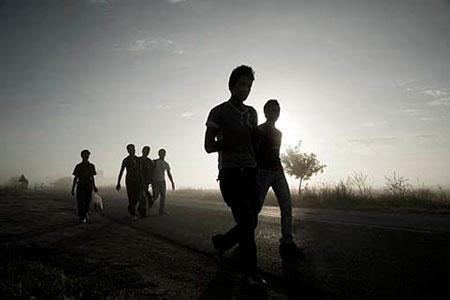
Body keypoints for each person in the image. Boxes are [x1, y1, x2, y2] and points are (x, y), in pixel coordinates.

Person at [204, 65, 266, 286]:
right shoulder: (218, 111)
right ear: (232, 85)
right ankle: (251, 273)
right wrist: (234, 139)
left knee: (252, 220)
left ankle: (222, 243)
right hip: (230, 174)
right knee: (247, 221)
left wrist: (258, 139)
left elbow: (253, 143)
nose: (245, 89)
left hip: (251, 172)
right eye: (241, 84)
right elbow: (209, 146)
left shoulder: (252, 113)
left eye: (249, 85)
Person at [255, 99, 304, 258]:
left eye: (278, 110)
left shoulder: (279, 133)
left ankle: (287, 243)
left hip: (278, 172)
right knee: (254, 209)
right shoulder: (259, 130)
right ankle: (239, 239)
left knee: (286, 206)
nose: (276, 113)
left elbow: (275, 154)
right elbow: (253, 153)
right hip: (262, 173)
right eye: (272, 110)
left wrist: (278, 169)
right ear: (266, 112)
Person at [71, 149, 98, 223]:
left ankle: (85, 213)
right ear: (81, 156)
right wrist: (73, 188)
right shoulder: (78, 166)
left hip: (89, 186)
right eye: (84, 155)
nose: (86, 157)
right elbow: (76, 178)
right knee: (80, 202)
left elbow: (92, 177)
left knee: (88, 201)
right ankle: (82, 216)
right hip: (80, 186)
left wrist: (94, 186)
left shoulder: (91, 166)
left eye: (87, 155)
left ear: (89, 156)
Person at [116, 144, 141, 221]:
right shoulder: (126, 160)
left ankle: (131, 207)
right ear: (128, 151)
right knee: (131, 196)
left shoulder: (138, 159)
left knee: (137, 197)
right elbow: (121, 171)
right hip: (129, 180)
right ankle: (133, 213)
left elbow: (141, 170)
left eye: (133, 149)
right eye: (130, 149)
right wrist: (118, 182)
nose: (133, 150)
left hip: (138, 180)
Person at [150, 148, 175, 215]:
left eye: (163, 153)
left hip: (162, 181)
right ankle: (149, 203)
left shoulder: (166, 164)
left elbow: (169, 174)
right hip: (155, 181)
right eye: (161, 153)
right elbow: (150, 171)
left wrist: (172, 182)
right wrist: (150, 180)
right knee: (155, 196)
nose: (162, 155)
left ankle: (161, 211)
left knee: (163, 196)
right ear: (159, 154)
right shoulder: (155, 162)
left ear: (165, 154)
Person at [138, 145, 155, 217]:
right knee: (141, 195)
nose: (146, 152)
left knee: (142, 194)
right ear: (142, 151)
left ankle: (142, 210)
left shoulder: (149, 161)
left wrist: (151, 180)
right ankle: (141, 209)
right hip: (139, 179)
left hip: (146, 180)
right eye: (145, 151)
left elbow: (152, 171)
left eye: (148, 151)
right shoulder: (138, 160)